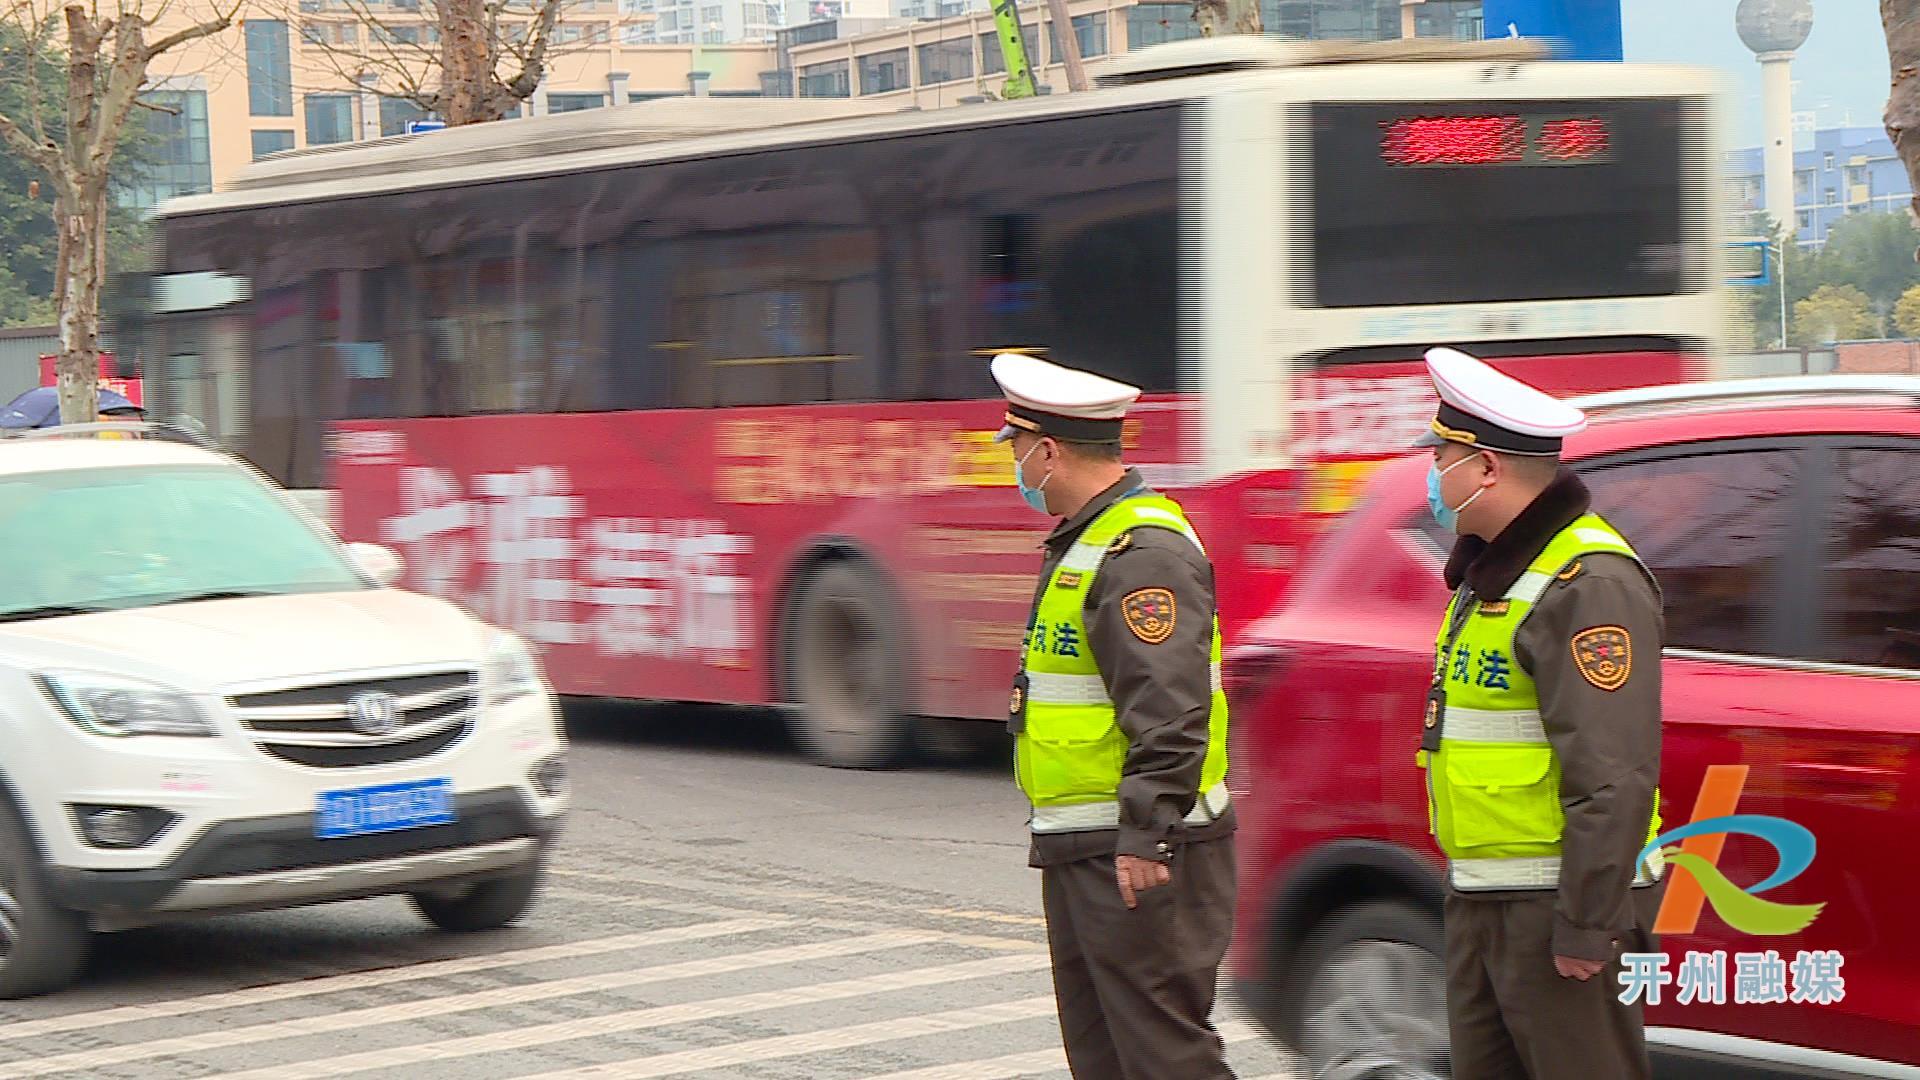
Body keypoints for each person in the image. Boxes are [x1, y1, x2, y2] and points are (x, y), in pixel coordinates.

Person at [1413, 346, 1667, 1080]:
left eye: (1443, 456)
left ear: (1485, 468)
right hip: (1485, 898)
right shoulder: (1491, 573)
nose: (1434, 474)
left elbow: (1613, 773)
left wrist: (1587, 923)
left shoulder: (1588, 583)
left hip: (1558, 907)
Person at [991, 352, 1236, 1080]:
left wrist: (1147, 835)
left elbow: (1170, 709)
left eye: (1018, 450)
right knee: (1106, 1059)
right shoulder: (1088, 539)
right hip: (1086, 849)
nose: (1017, 467)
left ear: (1048, 451)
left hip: (1137, 855)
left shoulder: (1141, 553)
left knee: (1164, 1058)